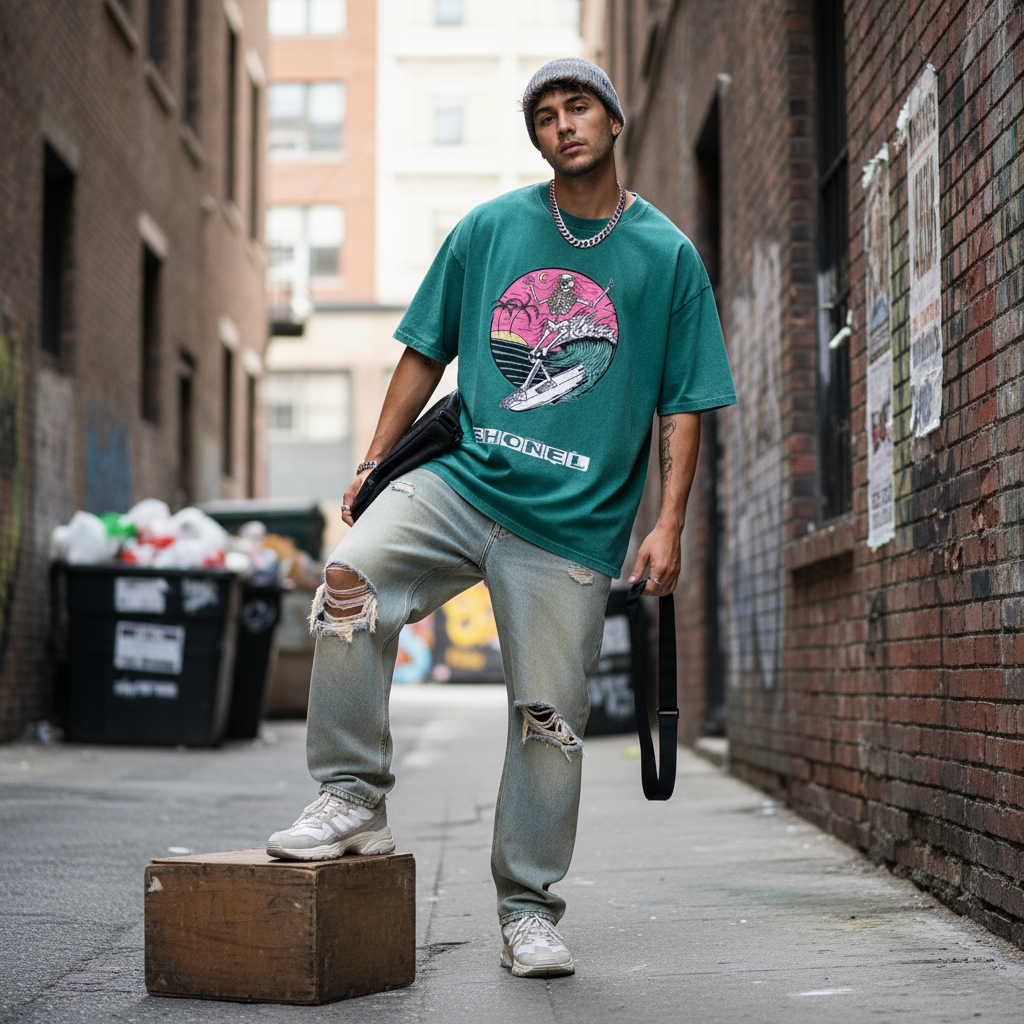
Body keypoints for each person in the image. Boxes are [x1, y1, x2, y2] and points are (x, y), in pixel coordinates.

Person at [266, 57, 736, 979]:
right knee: (351, 578)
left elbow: (684, 403)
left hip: (571, 527)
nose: (564, 125)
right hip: (461, 481)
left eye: (580, 107)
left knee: (547, 723)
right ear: (536, 136)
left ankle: (528, 910)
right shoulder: (491, 228)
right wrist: (372, 462)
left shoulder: (667, 256)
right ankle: (352, 794)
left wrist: (668, 523)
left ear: (614, 118)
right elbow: (421, 352)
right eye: (547, 115)